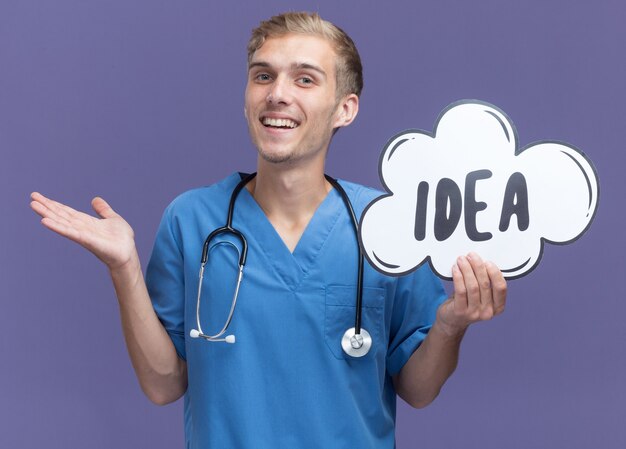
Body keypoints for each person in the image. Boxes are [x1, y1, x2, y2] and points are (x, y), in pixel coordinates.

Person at [30, 11, 507, 449]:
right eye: (263, 75)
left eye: (305, 78)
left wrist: (451, 325)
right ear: (246, 99)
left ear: (346, 108)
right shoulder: (191, 219)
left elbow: (418, 390)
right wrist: (125, 269)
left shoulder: (388, 224)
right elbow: (162, 385)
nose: (277, 93)